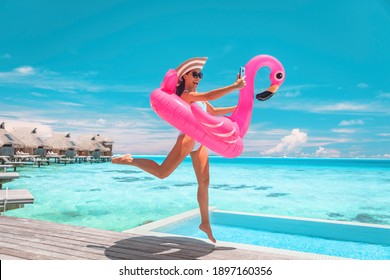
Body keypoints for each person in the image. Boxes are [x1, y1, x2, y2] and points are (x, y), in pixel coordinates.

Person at [112, 57, 246, 243]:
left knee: (204, 182)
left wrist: (243, 106)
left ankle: (205, 223)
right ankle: (130, 160)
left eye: (201, 74)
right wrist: (234, 86)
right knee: (162, 172)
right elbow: (209, 96)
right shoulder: (186, 96)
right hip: (189, 138)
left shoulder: (200, 99)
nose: (199, 77)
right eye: (195, 74)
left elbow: (213, 111)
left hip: (201, 142)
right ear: (184, 76)